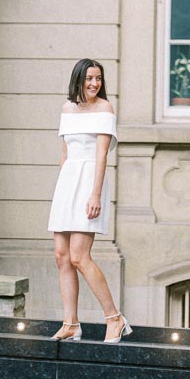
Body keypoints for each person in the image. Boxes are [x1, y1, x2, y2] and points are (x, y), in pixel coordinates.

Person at [47, 58, 131, 344]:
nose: (95, 83)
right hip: (67, 181)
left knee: (79, 256)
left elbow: (101, 155)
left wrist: (95, 194)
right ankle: (70, 323)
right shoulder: (67, 108)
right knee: (61, 255)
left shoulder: (105, 108)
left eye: (98, 78)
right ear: (79, 80)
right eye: (89, 79)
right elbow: (64, 152)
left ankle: (114, 318)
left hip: (89, 181)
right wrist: (61, 189)